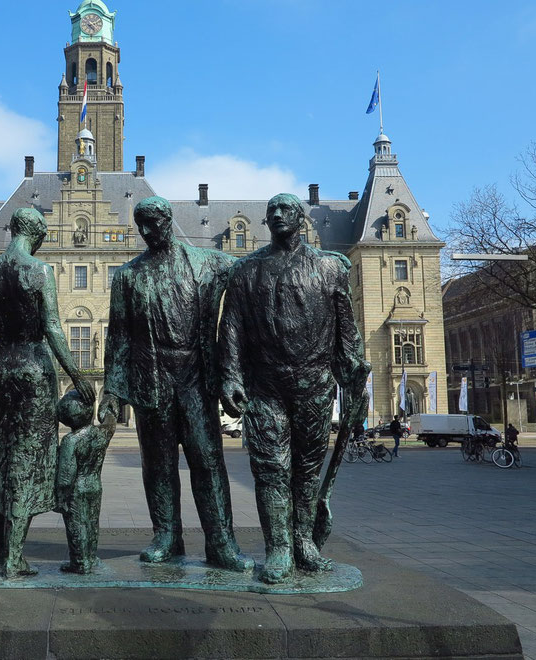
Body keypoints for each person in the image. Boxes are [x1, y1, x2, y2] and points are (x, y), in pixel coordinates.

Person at [219, 193, 368, 584]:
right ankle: (279, 547)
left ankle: (303, 538)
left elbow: (345, 327)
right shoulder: (246, 270)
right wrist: (231, 377)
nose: (277, 215)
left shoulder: (330, 268)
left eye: (286, 210)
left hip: (315, 384)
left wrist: (353, 369)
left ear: (301, 219)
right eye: (272, 211)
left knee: (305, 469)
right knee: (270, 468)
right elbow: (231, 327)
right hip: (265, 385)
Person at [99, 195, 251, 572]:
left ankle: (221, 542)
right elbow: (118, 338)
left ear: (168, 220)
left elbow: (253, 268)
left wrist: (323, 259)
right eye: (140, 226)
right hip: (151, 379)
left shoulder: (207, 262)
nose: (146, 232)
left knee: (207, 461)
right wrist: (112, 390)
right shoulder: (129, 276)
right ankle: (167, 535)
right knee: (158, 465)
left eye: (152, 223)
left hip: (196, 379)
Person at [0, 208, 94, 578]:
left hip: (1, 368)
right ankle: (14, 558)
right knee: (28, 459)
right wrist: (77, 375)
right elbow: (55, 328)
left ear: (12, 230)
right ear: (38, 234)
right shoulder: (40, 271)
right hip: (34, 370)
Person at [55, 389, 116, 574]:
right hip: (95, 485)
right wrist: (109, 411)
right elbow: (110, 425)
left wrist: (60, 497)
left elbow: (66, 477)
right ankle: (91, 556)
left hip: (76, 490)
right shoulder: (100, 434)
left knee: (76, 525)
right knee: (92, 523)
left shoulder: (70, 441)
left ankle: (80, 562)